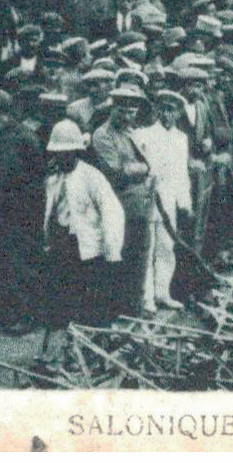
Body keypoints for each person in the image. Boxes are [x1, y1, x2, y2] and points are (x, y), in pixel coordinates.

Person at [42, 119, 125, 342]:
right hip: (62, 245)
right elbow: (49, 213)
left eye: (67, 153)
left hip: (89, 247)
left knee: (95, 299)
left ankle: (98, 344)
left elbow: (112, 212)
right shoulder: (53, 179)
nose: (61, 158)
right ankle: (60, 348)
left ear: (77, 151)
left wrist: (112, 249)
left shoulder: (92, 177)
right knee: (61, 298)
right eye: (58, 153)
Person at [90, 87, 155, 312]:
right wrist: (144, 168)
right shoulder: (102, 134)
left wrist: (141, 168)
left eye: (131, 111)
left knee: (140, 255)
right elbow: (116, 171)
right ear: (113, 108)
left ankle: (134, 305)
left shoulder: (132, 132)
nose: (127, 116)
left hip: (140, 202)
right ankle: (117, 308)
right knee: (119, 254)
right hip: (118, 202)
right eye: (122, 110)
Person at [135, 91, 193, 312]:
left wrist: (185, 203)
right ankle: (146, 298)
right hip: (149, 199)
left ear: (179, 113)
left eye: (172, 110)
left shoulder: (181, 138)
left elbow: (182, 173)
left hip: (169, 201)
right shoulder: (144, 135)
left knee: (167, 247)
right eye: (164, 109)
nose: (167, 114)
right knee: (147, 248)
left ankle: (162, 293)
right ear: (158, 110)